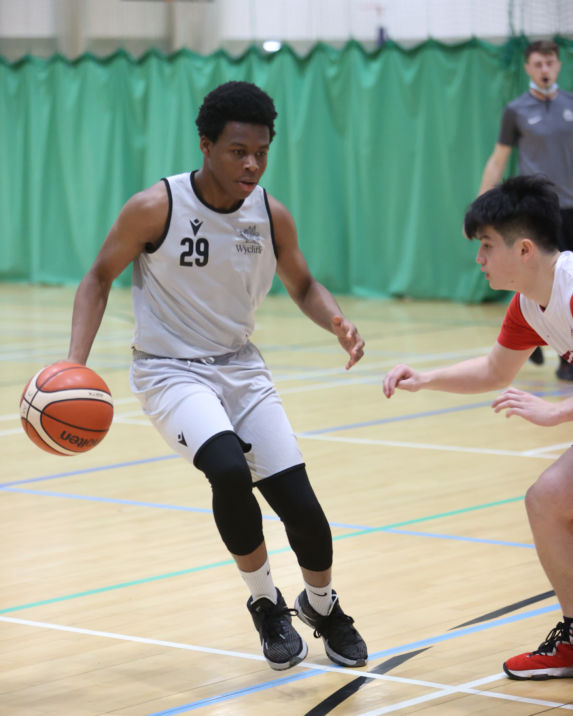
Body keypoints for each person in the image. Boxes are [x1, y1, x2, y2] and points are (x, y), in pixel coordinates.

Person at [66, 81, 368, 671]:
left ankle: (322, 605)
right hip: (169, 370)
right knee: (228, 469)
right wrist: (74, 366)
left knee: (302, 508)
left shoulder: (271, 215)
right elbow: (97, 277)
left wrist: (335, 319)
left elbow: (303, 284)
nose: (252, 164)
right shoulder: (157, 206)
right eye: (238, 151)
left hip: (240, 368)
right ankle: (266, 604)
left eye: (261, 151)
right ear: (205, 146)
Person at [383, 175, 573, 680]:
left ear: (525, 249)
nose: (479, 259)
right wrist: (424, 378)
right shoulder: (531, 302)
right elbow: (494, 370)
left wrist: (558, 411)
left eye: (487, 246)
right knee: (548, 499)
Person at [476, 39, 573, 380]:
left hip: (571, 207)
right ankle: (530, 340)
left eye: (550, 63)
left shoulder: (570, 104)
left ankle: (565, 359)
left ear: (558, 65)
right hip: (536, 213)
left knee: (565, 283)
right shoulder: (516, 110)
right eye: (538, 64)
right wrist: (481, 209)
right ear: (528, 68)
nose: (544, 69)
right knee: (532, 272)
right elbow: (498, 159)